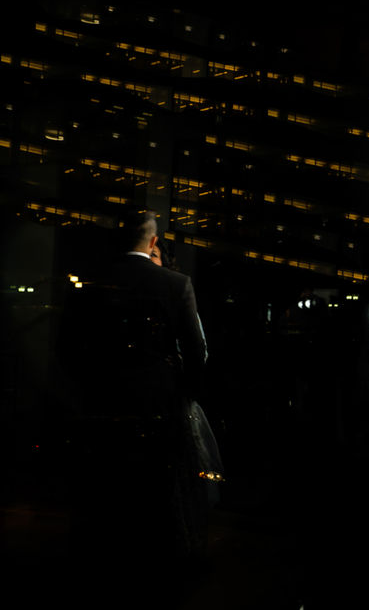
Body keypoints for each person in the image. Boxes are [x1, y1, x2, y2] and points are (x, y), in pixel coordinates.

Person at [60, 209, 209, 605]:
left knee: (109, 486)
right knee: (158, 489)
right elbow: (196, 353)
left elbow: (71, 348)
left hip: (104, 398)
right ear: (153, 242)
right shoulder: (176, 284)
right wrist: (185, 394)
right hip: (159, 400)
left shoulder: (93, 285)